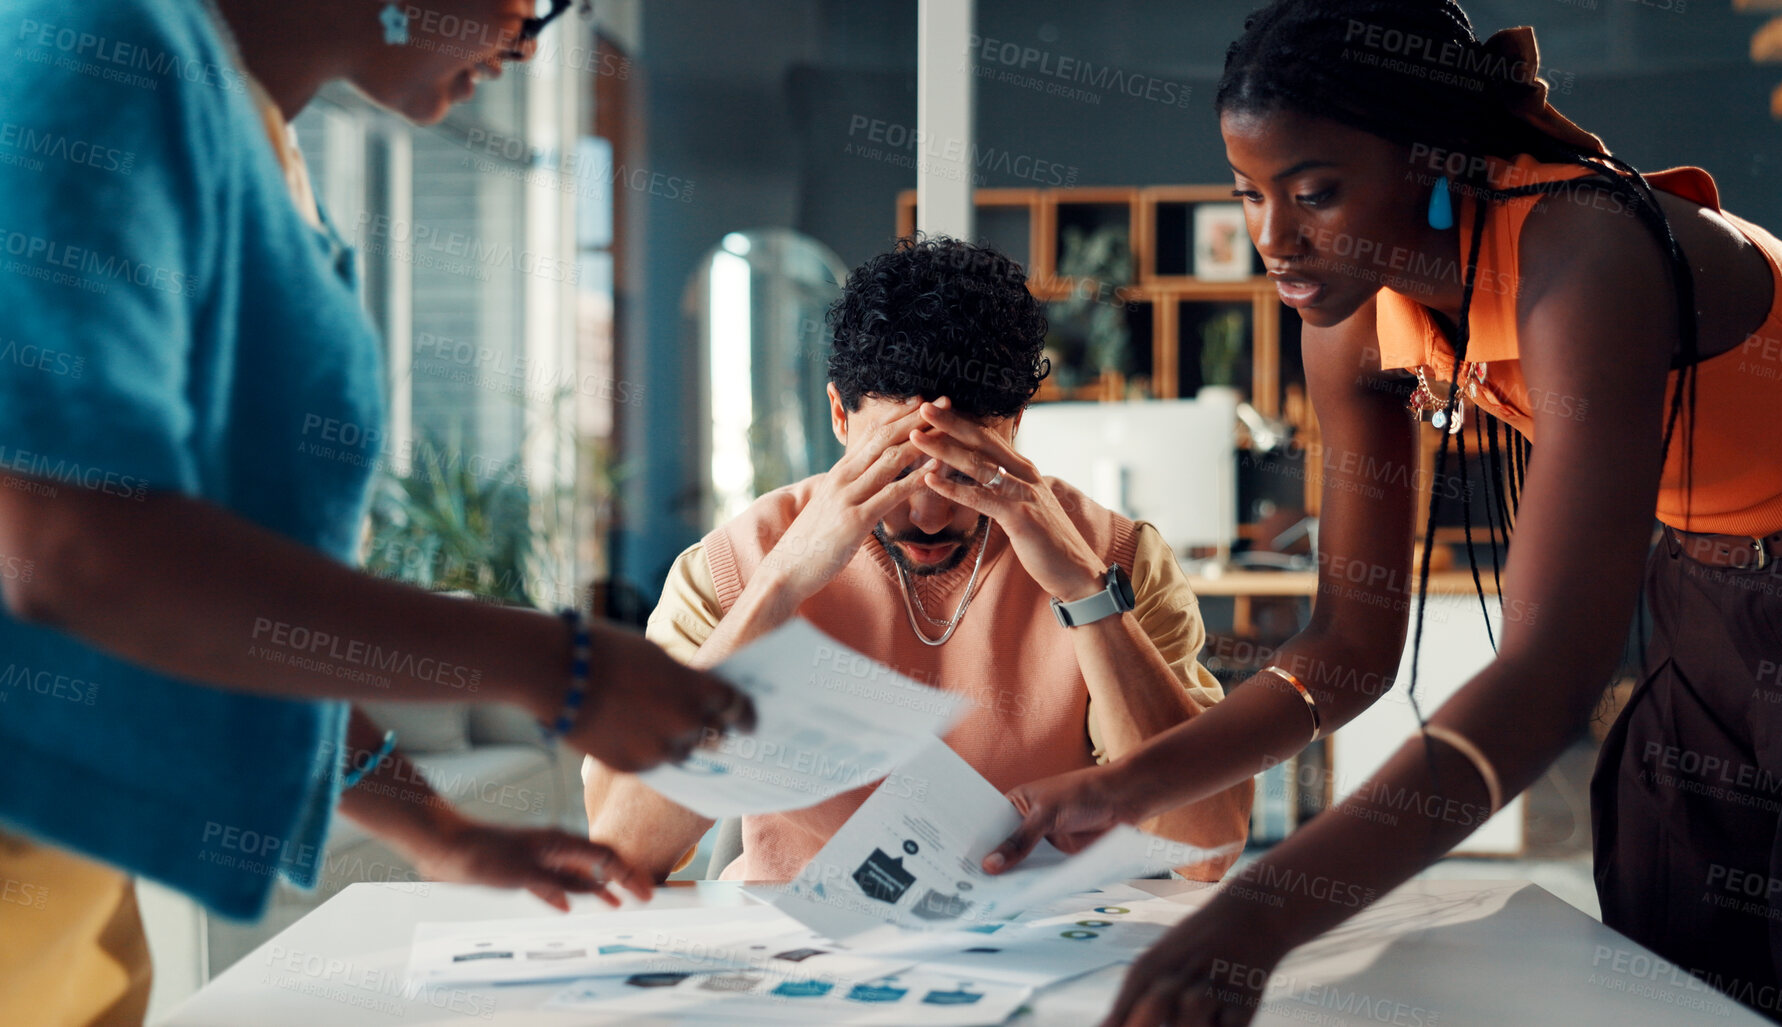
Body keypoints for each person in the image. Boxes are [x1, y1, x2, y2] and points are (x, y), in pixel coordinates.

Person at [979, 3, 1782, 1026]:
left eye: (1314, 192)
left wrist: (1259, 914)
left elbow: (1548, 675)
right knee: (1675, 974)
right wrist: (1123, 789)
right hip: (1708, 589)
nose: (1274, 238)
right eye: (1249, 195)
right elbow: (1349, 644)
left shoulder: (1586, 250)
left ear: (1431, 159)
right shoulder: (1349, 313)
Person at [0, 1, 748, 1022]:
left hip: (72, 907)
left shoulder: (251, 141)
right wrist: (552, 666)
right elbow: (71, 549)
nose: (528, 42)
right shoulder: (99, 41)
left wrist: (443, 835)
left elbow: (231, 595)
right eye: (537, 4)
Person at [584, 236, 1252, 884]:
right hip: (796, 956)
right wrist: (779, 584)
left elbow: (1204, 845)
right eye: (897, 464)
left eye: (966, 466)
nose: (929, 513)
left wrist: (1084, 590)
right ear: (840, 418)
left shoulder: (1118, 560)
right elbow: (621, 851)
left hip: (1044, 954)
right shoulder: (732, 564)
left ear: (1014, 423)